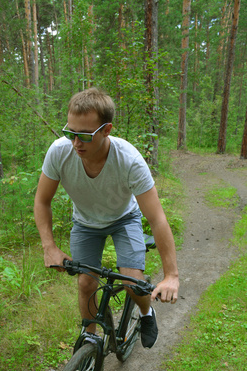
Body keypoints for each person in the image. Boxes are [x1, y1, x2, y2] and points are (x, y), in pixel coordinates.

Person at [34, 88, 179, 349]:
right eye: (71, 133)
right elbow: (42, 201)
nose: (76, 143)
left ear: (106, 130)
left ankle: (147, 314)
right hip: (86, 223)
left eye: (85, 136)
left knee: (131, 279)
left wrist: (171, 275)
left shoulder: (129, 161)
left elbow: (157, 218)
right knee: (86, 282)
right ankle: (91, 340)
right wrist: (49, 248)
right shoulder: (60, 152)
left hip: (125, 218)